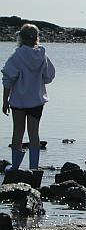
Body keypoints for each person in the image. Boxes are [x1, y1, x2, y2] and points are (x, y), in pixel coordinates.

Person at [2, 24, 55, 171]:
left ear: (21, 38)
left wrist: (4, 100)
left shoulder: (17, 56)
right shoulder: (42, 55)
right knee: (34, 134)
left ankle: (15, 167)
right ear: (37, 38)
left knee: (18, 132)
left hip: (19, 101)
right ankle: (33, 167)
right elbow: (49, 76)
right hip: (36, 100)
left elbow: (8, 78)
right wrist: (37, 81)